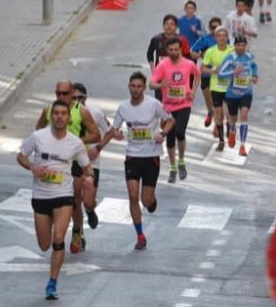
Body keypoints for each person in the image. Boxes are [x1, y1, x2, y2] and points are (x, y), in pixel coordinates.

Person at [17, 99, 94, 299]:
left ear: (69, 119)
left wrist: (89, 178)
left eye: (63, 113)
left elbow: (87, 168)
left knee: (59, 237)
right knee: (44, 245)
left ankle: (52, 282)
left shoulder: (75, 143)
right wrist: (32, 166)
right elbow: (21, 156)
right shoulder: (38, 137)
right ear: (51, 116)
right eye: (56, 113)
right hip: (41, 195)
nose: (59, 116)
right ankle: (50, 232)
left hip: (63, 195)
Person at [98, 73, 174, 250]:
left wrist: (163, 133)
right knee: (132, 195)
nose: (135, 89)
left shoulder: (153, 105)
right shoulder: (123, 107)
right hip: (132, 156)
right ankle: (140, 235)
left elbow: (170, 120)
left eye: (139, 86)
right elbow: (114, 130)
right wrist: (101, 146)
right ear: (128, 86)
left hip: (151, 156)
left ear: (144, 87)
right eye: (133, 86)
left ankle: (151, 201)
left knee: (145, 201)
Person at [35, 80, 101, 253]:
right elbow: (38, 130)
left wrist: (77, 143)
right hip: (56, 161)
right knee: (56, 197)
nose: (61, 97)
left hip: (76, 160)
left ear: (72, 92)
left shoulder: (82, 111)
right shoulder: (49, 110)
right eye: (58, 93)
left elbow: (96, 135)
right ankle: (54, 226)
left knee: (75, 201)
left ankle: (77, 230)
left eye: (65, 93)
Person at [150, 38, 200, 183]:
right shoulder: (162, 65)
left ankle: (182, 161)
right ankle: (173, 168)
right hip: (168, 106)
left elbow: (197, 75)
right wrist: (161, 85)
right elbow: (151, 84)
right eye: (170, 50)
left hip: (184, 103)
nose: (173, 52)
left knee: (180, 132)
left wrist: (193, 91)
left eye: (176, 49)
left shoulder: (188, 64)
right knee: (170, 138)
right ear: (167, 50)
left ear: (180, 49)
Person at [71, 82, 108, 231]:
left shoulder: (95, 113)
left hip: (92, 163)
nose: (76, 100)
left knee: (88, 201)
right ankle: (77, 231)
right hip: (74, 161)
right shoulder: (66, 113)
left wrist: (98, 147)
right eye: (73, 97)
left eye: (80, 97)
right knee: (75, 199)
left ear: (85, 98)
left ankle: (90, 210)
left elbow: (110, 131)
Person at [216, 35, 258, 156]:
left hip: (246, 92)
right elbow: (220, 74)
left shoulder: (250, 56)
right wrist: (234, 72)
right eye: (238, 45)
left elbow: (254, 66)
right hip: (232, 94)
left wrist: (255, 76)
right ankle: (232, 130)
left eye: (243, 45)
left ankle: (242, 145)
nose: (241, 47)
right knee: (232, 119)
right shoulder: (230, 58)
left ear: (246, 46)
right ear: (234, 46)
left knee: (244, 114)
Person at [201, 27, 234, 151]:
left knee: (229, 113)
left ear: (227, 38)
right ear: (215, 38)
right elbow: (202, 69)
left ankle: (230, 128)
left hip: (230, 87)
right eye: (219, 35)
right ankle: (221, 141)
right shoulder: (210, 51)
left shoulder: (233, 51)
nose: (221, 37)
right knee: (219, 114)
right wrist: (212, 71)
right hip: (216, 87)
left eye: (224, 35)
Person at [146, 14, 192, 102]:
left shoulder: (182, 39)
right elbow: (149, 53)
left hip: (177, 77)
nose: (169, 26)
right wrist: (152, 67)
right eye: (167, 24)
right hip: (160, 76)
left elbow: (188, 58)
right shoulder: (156, 39)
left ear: (176, 27)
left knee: (176, 103)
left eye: (172, 24)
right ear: (163, 26)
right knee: (160, 103)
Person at [190, 16, 223, 127]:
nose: (215, 29)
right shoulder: (205, 39)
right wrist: (201, 55)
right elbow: (191, 52)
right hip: (206, 73)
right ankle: (210, 112)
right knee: (207, 96)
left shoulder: (225, 40)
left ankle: (218, 125)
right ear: (209, 28)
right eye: (213, 27)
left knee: (218, 100)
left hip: (220, 74)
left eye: (218, 27)